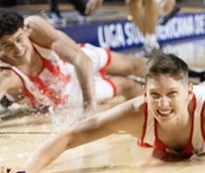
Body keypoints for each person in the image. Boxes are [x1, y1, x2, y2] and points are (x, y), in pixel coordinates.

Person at [0, 53, 205, 173]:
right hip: (197, 97)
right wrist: (29, 169)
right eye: (154, 95)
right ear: (145, 92)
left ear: (188, 92)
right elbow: (71, 135)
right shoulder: (135, 112)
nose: (162, 105)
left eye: (170, 95)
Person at [0, 11, 146, 114]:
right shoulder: (5, 74)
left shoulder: (34, 27)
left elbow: (81, 60)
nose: (18, 49)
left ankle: (168, 75)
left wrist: (90, 107)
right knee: (126, 85)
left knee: (134, 65)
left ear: (25, 31)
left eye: (19, 39)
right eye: (8, 45)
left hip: (72, 61)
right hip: (68, 93)